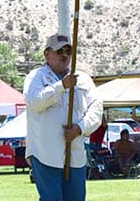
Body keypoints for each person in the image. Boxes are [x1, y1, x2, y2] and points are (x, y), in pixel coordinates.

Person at [24, 33, 103, 201]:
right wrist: (61, 86)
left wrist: (79, 128)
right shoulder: (35, 77)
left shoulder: (83, 80)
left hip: (74, 154)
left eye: (68, 51)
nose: (65, 55)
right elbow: (35, 102)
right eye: (59, 51)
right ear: (47, 54)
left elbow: (96, 110)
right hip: (44, 153)